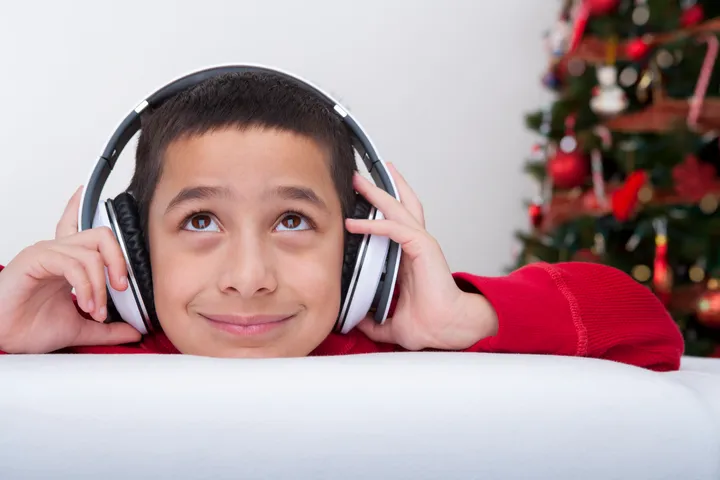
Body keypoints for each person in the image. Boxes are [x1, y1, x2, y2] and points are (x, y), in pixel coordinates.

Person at [0, 71, 684, 370]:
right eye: (201, 220)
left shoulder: (386, 336)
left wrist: (462, 320)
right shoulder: (85, 338)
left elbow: (647, 328)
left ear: (361, 254)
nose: (249, 279)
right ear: (130, 248)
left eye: (293, 221)